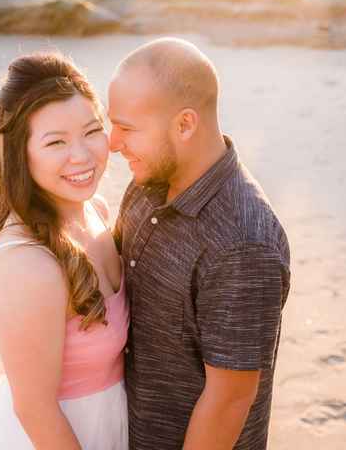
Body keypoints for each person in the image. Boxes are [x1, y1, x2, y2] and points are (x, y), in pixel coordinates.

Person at [108, 37, 291, 450]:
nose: (112, 143)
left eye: (126, 128)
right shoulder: (149, 185)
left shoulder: (243, 245)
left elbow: (229, 399)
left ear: (185, 124)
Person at [0, 51, 129, 449]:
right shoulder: (29, 263)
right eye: (55, 141)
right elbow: (35, 409)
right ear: (20, 153)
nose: (82, 154)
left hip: (110, 427)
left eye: (92, 131)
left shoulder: (97, 213)